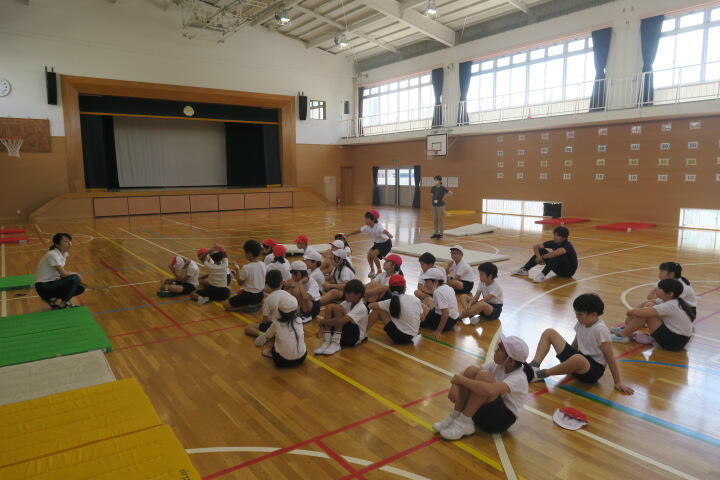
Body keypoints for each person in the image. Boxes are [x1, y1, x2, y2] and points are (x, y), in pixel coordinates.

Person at [526, 293, 634, 394]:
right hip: (579, 361)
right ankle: (534, 365)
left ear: (593, 314)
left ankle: (542, 374)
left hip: (592, 371)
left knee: (578, 358)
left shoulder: (600, 330)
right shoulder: (581, 323)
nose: (576, 317)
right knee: (549, 332)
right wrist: (567, 360)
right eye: (576, 314)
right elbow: (575, 345)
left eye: (579, 314)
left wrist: (618, 382)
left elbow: (610, 358)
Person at [432, 335, 529, 440]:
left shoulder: (519, 378)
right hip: (484, 411)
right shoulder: (497, 365)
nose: (496, 350)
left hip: (499, 421)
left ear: (511, 361)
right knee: (472, 370)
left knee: (484, 378)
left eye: (500, 349)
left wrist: (459, 380)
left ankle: (464, 422)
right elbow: (466, 373)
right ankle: (457, 415)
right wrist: (455, 383)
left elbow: (489, 390)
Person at [611, 279, 694, 351]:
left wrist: (630, 312)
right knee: (649, 305)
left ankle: (622, 335)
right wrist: (634, 312)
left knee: (646, 314)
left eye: (660, 288)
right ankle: (626, 329)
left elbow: (640, 313)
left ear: (670, 294)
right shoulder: (671, 300)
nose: (657, 289)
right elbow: (648, 302)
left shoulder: (671, 305)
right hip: (678, 339)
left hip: (674, 343)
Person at [367, 274, 426, 345]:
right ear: (405, 287)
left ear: (390, 289)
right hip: (412, 335)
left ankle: (362, 332)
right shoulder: (414, 299)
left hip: (399, 337)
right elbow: (422, 318)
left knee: (378, 309)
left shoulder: (389, 302)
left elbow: (370, 306)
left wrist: (372, 297)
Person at [314, 279, 367, 355]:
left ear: (358, 295)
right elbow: (335, 316)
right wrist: (322, 328)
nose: (346, 295)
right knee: (330, 306)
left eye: (349, 293)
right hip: (345, 332)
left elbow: (340, 321)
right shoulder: (347, 302)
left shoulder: (361, 307)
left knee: (337, 309)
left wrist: (322, 322)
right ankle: (327, 341)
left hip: (355, 337)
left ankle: (336, 343)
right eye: (345, 293)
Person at [34, 232, 85, 309]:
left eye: (69, 241)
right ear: (57, 244)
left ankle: (54, 300)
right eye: (66, 241)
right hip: (44, 287)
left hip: (52, 284)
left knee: (80, 288)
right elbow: (63, 274)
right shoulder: (53, 254)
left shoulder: (63, 254)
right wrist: (77, 274)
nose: (69, 243)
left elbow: (61, 275)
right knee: (75, 278)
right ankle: (62, 304)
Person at [511, 226, 578, 283]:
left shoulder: (567, 245)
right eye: (555, 235)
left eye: (558, 236)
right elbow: (536, 247)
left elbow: (555, 253)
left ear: (564, 238)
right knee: (541, 250)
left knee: (556, 255)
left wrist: (542, 257)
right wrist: (538, 257)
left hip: (568, 272)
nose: (555, 237)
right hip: (558, 270)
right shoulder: (554, 242)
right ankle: (524, 270)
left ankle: (543, 275)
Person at [260, 295, 307, 368]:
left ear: (279, 311)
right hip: (302, 358)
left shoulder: (277, 323)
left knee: (273, 335)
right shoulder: (299, 320)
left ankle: (271, 352)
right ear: (295, 310)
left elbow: (268, 336)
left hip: (282, 361)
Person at [347, 210, 394, 279]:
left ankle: (379, 271)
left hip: (386, 244)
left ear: (373, 219)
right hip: (377, 244)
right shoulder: (367, 227)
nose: (365, 220)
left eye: (367, 218)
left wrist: (389, 234)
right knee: (369, 254)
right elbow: (358, 231)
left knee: (374, 254)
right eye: (365, 218)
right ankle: (372, 270)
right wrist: (348, 234)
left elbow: (384, 231)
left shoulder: (378, 226)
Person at [247, 270, 292, 339]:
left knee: (248, 328)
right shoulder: (288, 294)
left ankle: (265, 335)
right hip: (289, 325)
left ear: (267, 284)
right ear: (281, 282)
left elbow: (265, 320)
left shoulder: (268, 300)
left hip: (276, 325)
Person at [223, 239, 266, 312]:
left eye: (245, 252)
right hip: (260, 295)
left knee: (226, 305)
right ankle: (256, 304)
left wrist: (237, 270)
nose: (244, 254)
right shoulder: (263, 264)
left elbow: (240, 283)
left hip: (249, 296)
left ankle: (247, 307)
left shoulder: (246, 267)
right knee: (240, 292)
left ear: (249, 253)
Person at [419, 267, 459, 338]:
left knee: (419, 304)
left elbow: (445, 313)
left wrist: (438, 331)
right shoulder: (447, 287)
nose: (425, 284)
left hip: (446, 323)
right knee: (428, 299)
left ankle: (422, 323)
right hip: (453, 320)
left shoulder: (438, 292)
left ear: (436, 282)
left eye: (427, 282)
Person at [445, 245, 474, 313]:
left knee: (454, 282)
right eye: (452, 253)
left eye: (456, 253)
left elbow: (456, 278)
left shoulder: (463, 265)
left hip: (467, 284)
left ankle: (450, 290)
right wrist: (448, 266)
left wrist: (445, 284)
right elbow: (446, 273)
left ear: (461, 255)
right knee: (447, 278)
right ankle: (451, 290)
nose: (454, 255)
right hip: (460, 281)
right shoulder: (454, 263)